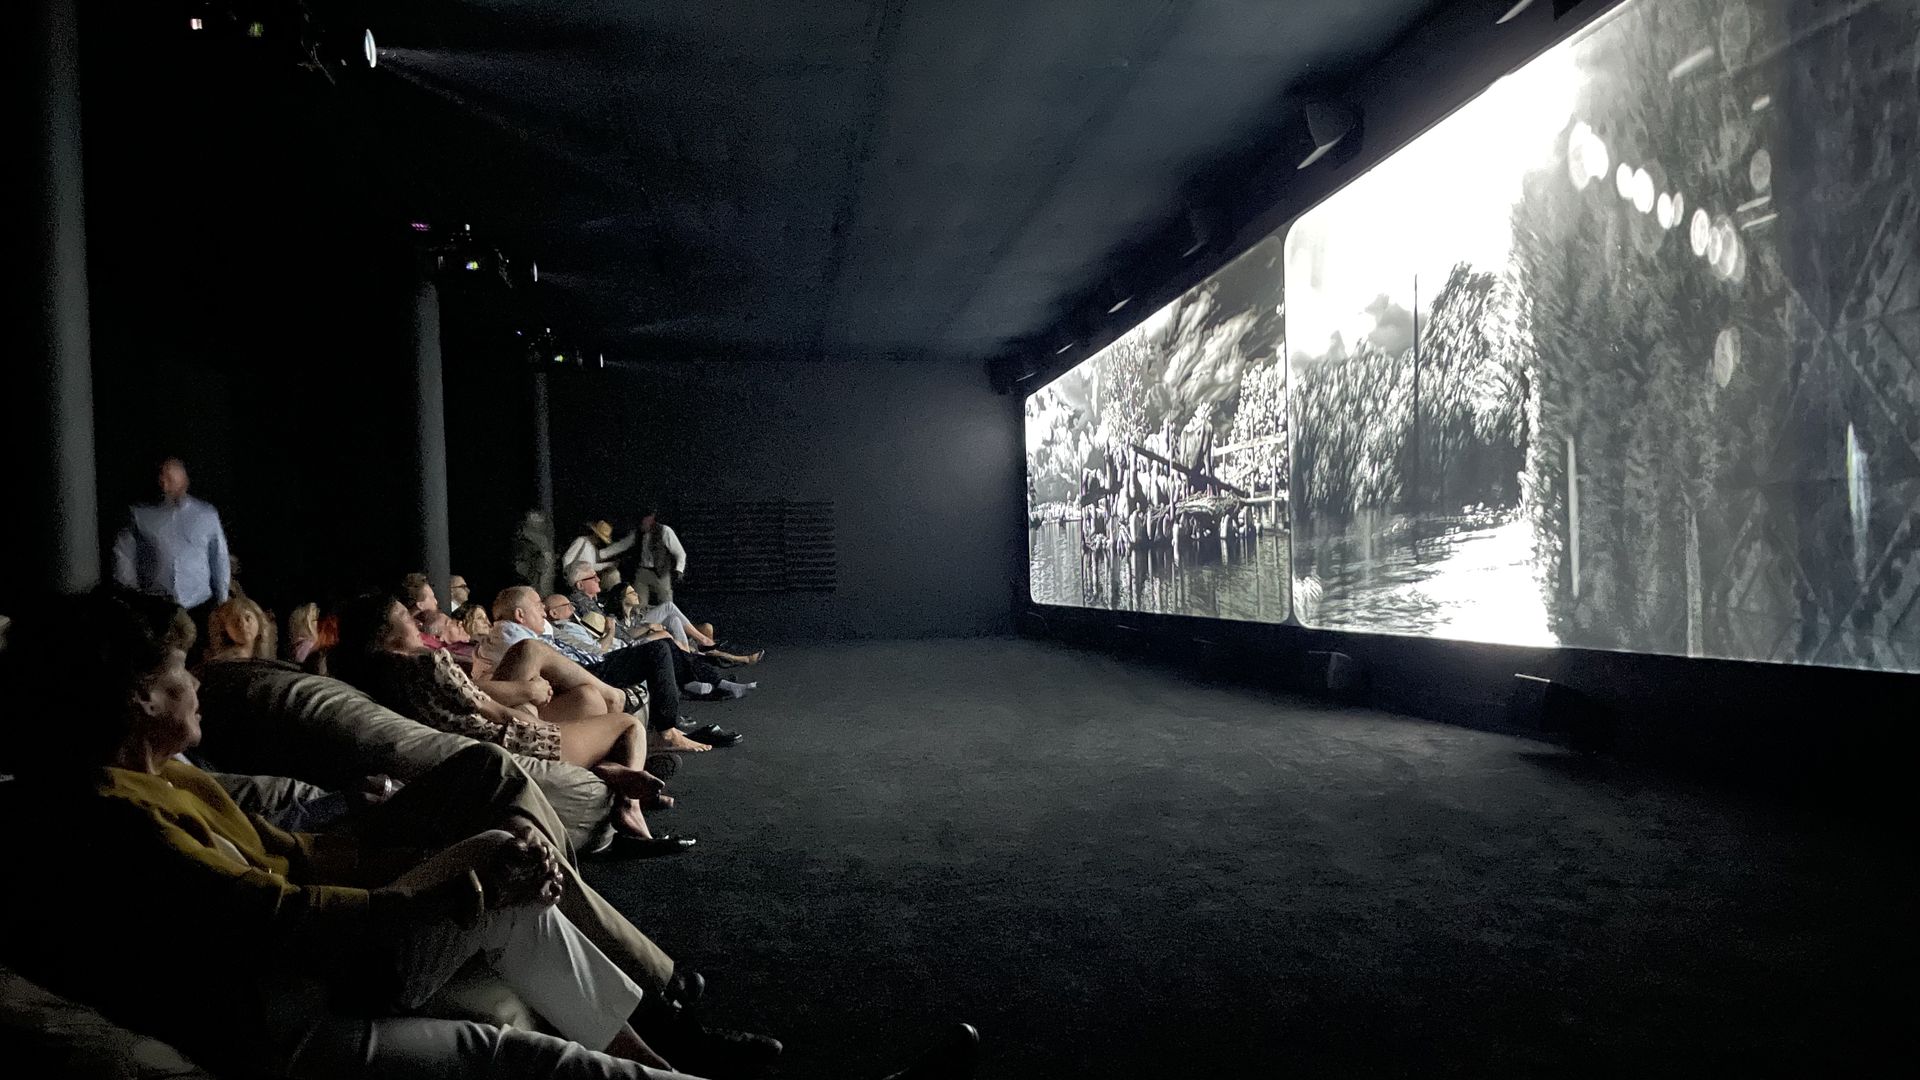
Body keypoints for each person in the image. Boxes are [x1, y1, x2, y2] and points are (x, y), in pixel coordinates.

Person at [0, 590, 813, 1080]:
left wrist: (440, 867)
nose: (198, 684)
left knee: (501, 843)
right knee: (517, 1045)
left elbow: (296, 854)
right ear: (141, 697)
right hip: (276, 1006)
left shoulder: (169, 776)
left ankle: (667, 1051)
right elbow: (279, 916)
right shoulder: (116, 810)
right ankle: (662, 1015)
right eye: (181, 672)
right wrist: (444, 889)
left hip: (311, 940)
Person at [329, 593, 689, 853]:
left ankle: (612, 766)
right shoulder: (427, 664)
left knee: (587, 699)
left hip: (477, 731)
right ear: (386, 634)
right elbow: (494, 712)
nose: (415, 621)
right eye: (406, 618)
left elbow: (470, 700)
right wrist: (532, 709)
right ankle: (631, 808)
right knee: (628, 725)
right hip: (508, 738)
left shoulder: (382, 674)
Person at [474, 587, 741, 751]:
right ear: (519, 614)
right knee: (657, 649)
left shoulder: (530, 631)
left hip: (587, 665)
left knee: (664, 646)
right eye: (536, 604)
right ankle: (668, 730)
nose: (542, 610)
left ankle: (702, 688)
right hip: (578, 673)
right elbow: (537, 660)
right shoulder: (509, 633)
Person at [111, 457, 231, 616]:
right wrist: (134, 598)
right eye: (162, 478)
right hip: (155, 608)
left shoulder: (206, 515)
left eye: (170, 480)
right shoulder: (139, 515)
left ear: (184, 481)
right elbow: (124, 557)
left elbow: (219, 558)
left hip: (200, 605)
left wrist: (222, 601)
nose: (165, 485)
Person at [631, 507, 686, 607]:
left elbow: (680, 552)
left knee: (666, 603)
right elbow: (622, 545)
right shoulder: (638, 533)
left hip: (660, 571)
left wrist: (679, 569)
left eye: (644, 520)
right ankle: (639, 620)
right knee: (638, 602)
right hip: (643, 571)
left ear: (650, 518)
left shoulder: (664, 531)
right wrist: (601, 554)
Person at [202, 595, 276, 662]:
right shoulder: (222, 661)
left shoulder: (266, 656)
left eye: (248, 618)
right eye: (234, 621)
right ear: (224, 629)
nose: (243, 625)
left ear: (259, 621)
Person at [564, 519, 636, 580]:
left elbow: (592, 566)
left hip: (585, 580)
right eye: (600, 538)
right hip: (575, 579)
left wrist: (610, 564)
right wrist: (567, 576)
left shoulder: (593, 548)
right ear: (595, 535)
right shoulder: (581, 540)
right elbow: (567, 558)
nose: (600, 541)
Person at [514, 510, 558, 596]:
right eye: (535, 521)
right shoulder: (523, 541)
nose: (539, 524)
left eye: (541, 521)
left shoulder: (544, 539)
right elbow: (520, 564)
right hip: (530, 581)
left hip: (544, 577)